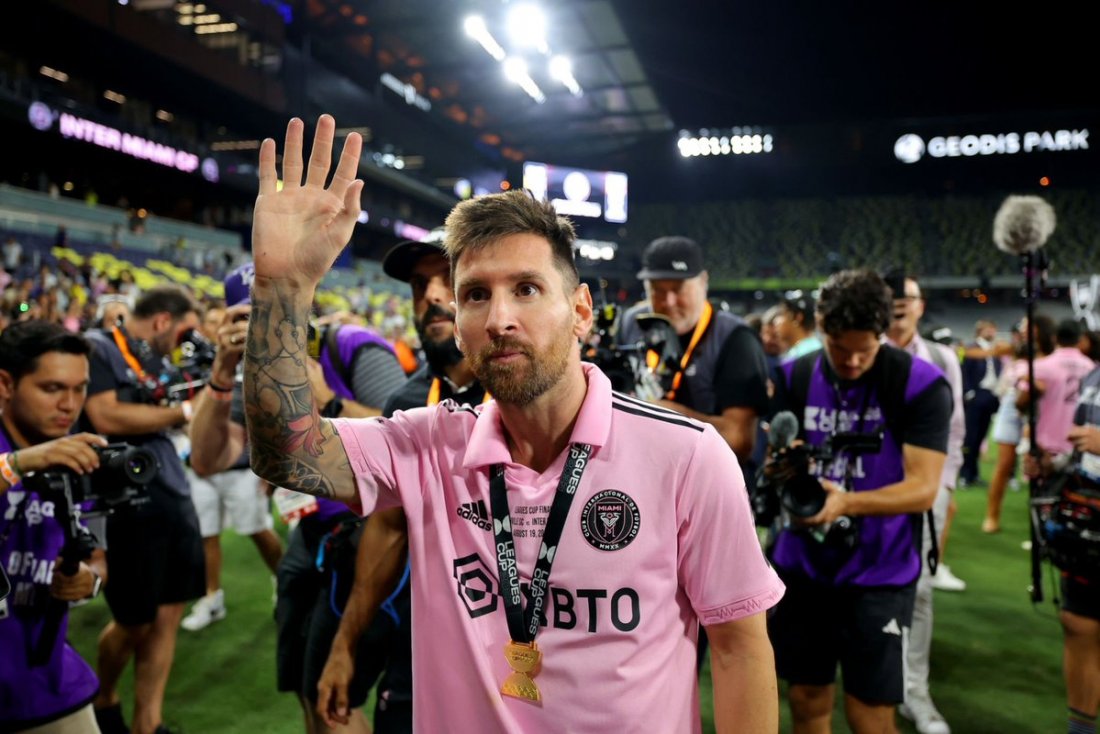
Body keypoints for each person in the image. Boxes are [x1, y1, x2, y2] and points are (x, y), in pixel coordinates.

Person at [244, 115, 784, 733]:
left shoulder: (687, 455)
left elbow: (740, 649)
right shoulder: (428, 443)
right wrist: (283, 286)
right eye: (476, 295)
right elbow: (285, 452)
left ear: (580, 310)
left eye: (526, 289)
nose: (499, 319)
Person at [188, 260, 406, 732]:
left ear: (307, 304)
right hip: (306, 534)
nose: (267, 327)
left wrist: (329, 402)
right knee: (305, 690)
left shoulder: (352, 347)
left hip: (368, 535)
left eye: (277, 311)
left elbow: (408, 442)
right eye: (251, 316)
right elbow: (207, 459)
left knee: (334, 699)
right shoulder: (250, 372)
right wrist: (222, 372)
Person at [316, 227, 489, 733]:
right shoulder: (407, 403)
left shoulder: (530, 391)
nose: (431, 296)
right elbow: (389, 529)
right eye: (418, 285)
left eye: (447, 279)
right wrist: (345, 643)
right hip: (429, 636)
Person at [765, 268, 951, 734]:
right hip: (802, 564)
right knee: (806, 699)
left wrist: (845, 503)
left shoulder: (921, 383)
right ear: (820, 326)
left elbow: (924, 488)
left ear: (884, 333)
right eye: (838, 348)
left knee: (870, 712)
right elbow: (776, 460)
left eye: (864, 351)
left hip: (881, 570)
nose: (850, 362)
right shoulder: (792, 374)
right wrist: (781, 470)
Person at [80, 284, 207, 734]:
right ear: (162, 321)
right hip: (122, 501)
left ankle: (147, 725)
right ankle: (103, 697)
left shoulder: (158, 361)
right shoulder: (97, 347)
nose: (186, 344)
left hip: (171, 492)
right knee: (134, 621)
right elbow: (106, 415)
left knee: (170, 612)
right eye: (184, 332)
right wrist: (184, 412)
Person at [0, 321, 111, 733]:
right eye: (52, 388)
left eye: (80, 389)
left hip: (47, 678)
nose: (70, 404)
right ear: (5, 384)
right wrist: (24, 462)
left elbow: (98, 558)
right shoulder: (35, 454)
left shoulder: (80, 457)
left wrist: (89, 580)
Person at [884, 273, 964, 734]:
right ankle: (876, 681)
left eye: (907, 297)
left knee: (920, 591)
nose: (899, 303)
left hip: (925, 491)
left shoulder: (941, 358)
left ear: (920, 305)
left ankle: (914, 690)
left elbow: (955, 429)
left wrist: (942, 486)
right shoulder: (863, 351)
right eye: (891, 297)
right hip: (871, 493)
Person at [617, 235, 771, 470]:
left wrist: (667, 416)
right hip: (639, 471)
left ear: (703, 282)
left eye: (678, 289)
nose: (668, 302)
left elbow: (739, 441)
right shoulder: (632, 323)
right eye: (657, 290)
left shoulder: (736, 339)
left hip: (707, 477)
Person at [180, 289, 284, 632]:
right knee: (206, 534)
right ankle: (212, 597)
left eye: (218, 321)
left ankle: (284, 579)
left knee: (257, 529)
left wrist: (270, 463)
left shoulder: (250, 357)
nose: (214, 328)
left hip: (242, 466)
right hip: (200, 466)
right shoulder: (195, 363)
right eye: (210, 323)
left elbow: (266, 414)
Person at [959, 320, 1005, 486]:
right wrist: (969, 392)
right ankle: (965, 474)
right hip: (976, 395)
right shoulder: (972, 349)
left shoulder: (995, 351)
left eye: (993, 329)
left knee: (981, 437)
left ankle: (974, 473)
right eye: (989, 329)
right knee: (970, 437)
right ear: (980, 331)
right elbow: (963, 372)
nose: (992, 332)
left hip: (991, 396)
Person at [775, 290, 822, 361]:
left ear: (797, 318)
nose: (776, 321)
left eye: (782, 314)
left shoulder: (808, 353)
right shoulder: (808, 349)